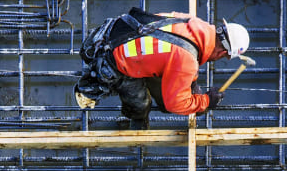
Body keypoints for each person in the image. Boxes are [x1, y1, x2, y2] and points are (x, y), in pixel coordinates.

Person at [74, 7, 250, 129]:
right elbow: (176, 104)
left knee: (172, 87)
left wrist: (192, 83)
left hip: (118, 33)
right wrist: (206, 101)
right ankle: (135, 118)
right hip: (116, 61)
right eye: (225, 56)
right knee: (141, 104)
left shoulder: (194, 23)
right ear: (223, 53)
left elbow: (175, 51)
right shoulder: (186, 60)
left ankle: (156, 96)